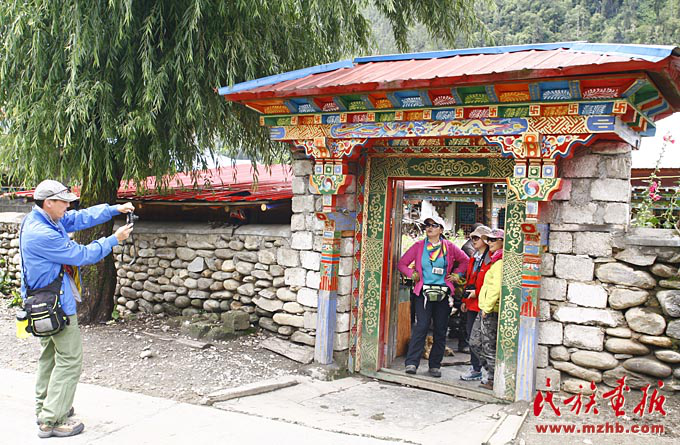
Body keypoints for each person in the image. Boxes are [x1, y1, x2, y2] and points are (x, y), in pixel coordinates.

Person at [20, 180, 134, 438]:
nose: (68, 206)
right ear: (49, 203)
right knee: (70, 359)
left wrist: (113, 209)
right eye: (64, 202)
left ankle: (46, 407)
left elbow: (79, 218)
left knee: (50, 355)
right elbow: (82, 255)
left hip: (41, 302)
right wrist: (114, 239)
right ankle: (52, 420)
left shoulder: (41, 219)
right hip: (56, 305)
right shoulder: (43, 234)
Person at [398, 215, 469, 378]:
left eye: (434, 225)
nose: (429, 228)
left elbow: (465, 261)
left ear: (441, 230)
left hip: (443, 293)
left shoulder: (449, 247)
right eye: (427, 225)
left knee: (440, 329)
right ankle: (411, 363)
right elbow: (402, 263)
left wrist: (457, 275)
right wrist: (411, 273)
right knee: (421, 326)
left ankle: (435, 365)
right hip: (423, 293)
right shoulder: (418, 246)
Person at [468, 228, 504, 391]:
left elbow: (496, 288)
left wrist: (487, 307)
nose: (489, 242)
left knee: (488, 346)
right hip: (484, 307)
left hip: (490, 309)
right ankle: (490, 372)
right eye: (488, 240)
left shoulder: (501, 262)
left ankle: (493, 378)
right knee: (475, 342)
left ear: (502, 242)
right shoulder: (494, 260)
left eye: (493, 240)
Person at [459, 224, 492, 381]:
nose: (473, 240)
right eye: (472, 237)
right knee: (471, 336)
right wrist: (465, 300)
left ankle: (490, 372)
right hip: (472, 302)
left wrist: (477, 293)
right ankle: (476, 368)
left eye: (477, 238)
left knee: (483, 339)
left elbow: (491, 284)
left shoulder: (491, 259)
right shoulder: (474, 257)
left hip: (485, 303)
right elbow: (469, 280)